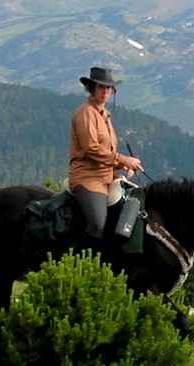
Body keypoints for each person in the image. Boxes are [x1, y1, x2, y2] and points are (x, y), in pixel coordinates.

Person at [68, 67, 144, 244]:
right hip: (88, 179)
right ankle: (79, 262)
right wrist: (124, 159)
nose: (105, 91)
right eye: (101, 87)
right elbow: (91, 149)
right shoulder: (85, 113)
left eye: (108, 88)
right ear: (92, 88)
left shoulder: (105, 115)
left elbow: (106, 154)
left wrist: (123, 166)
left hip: (107, 177)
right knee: (97, 223)